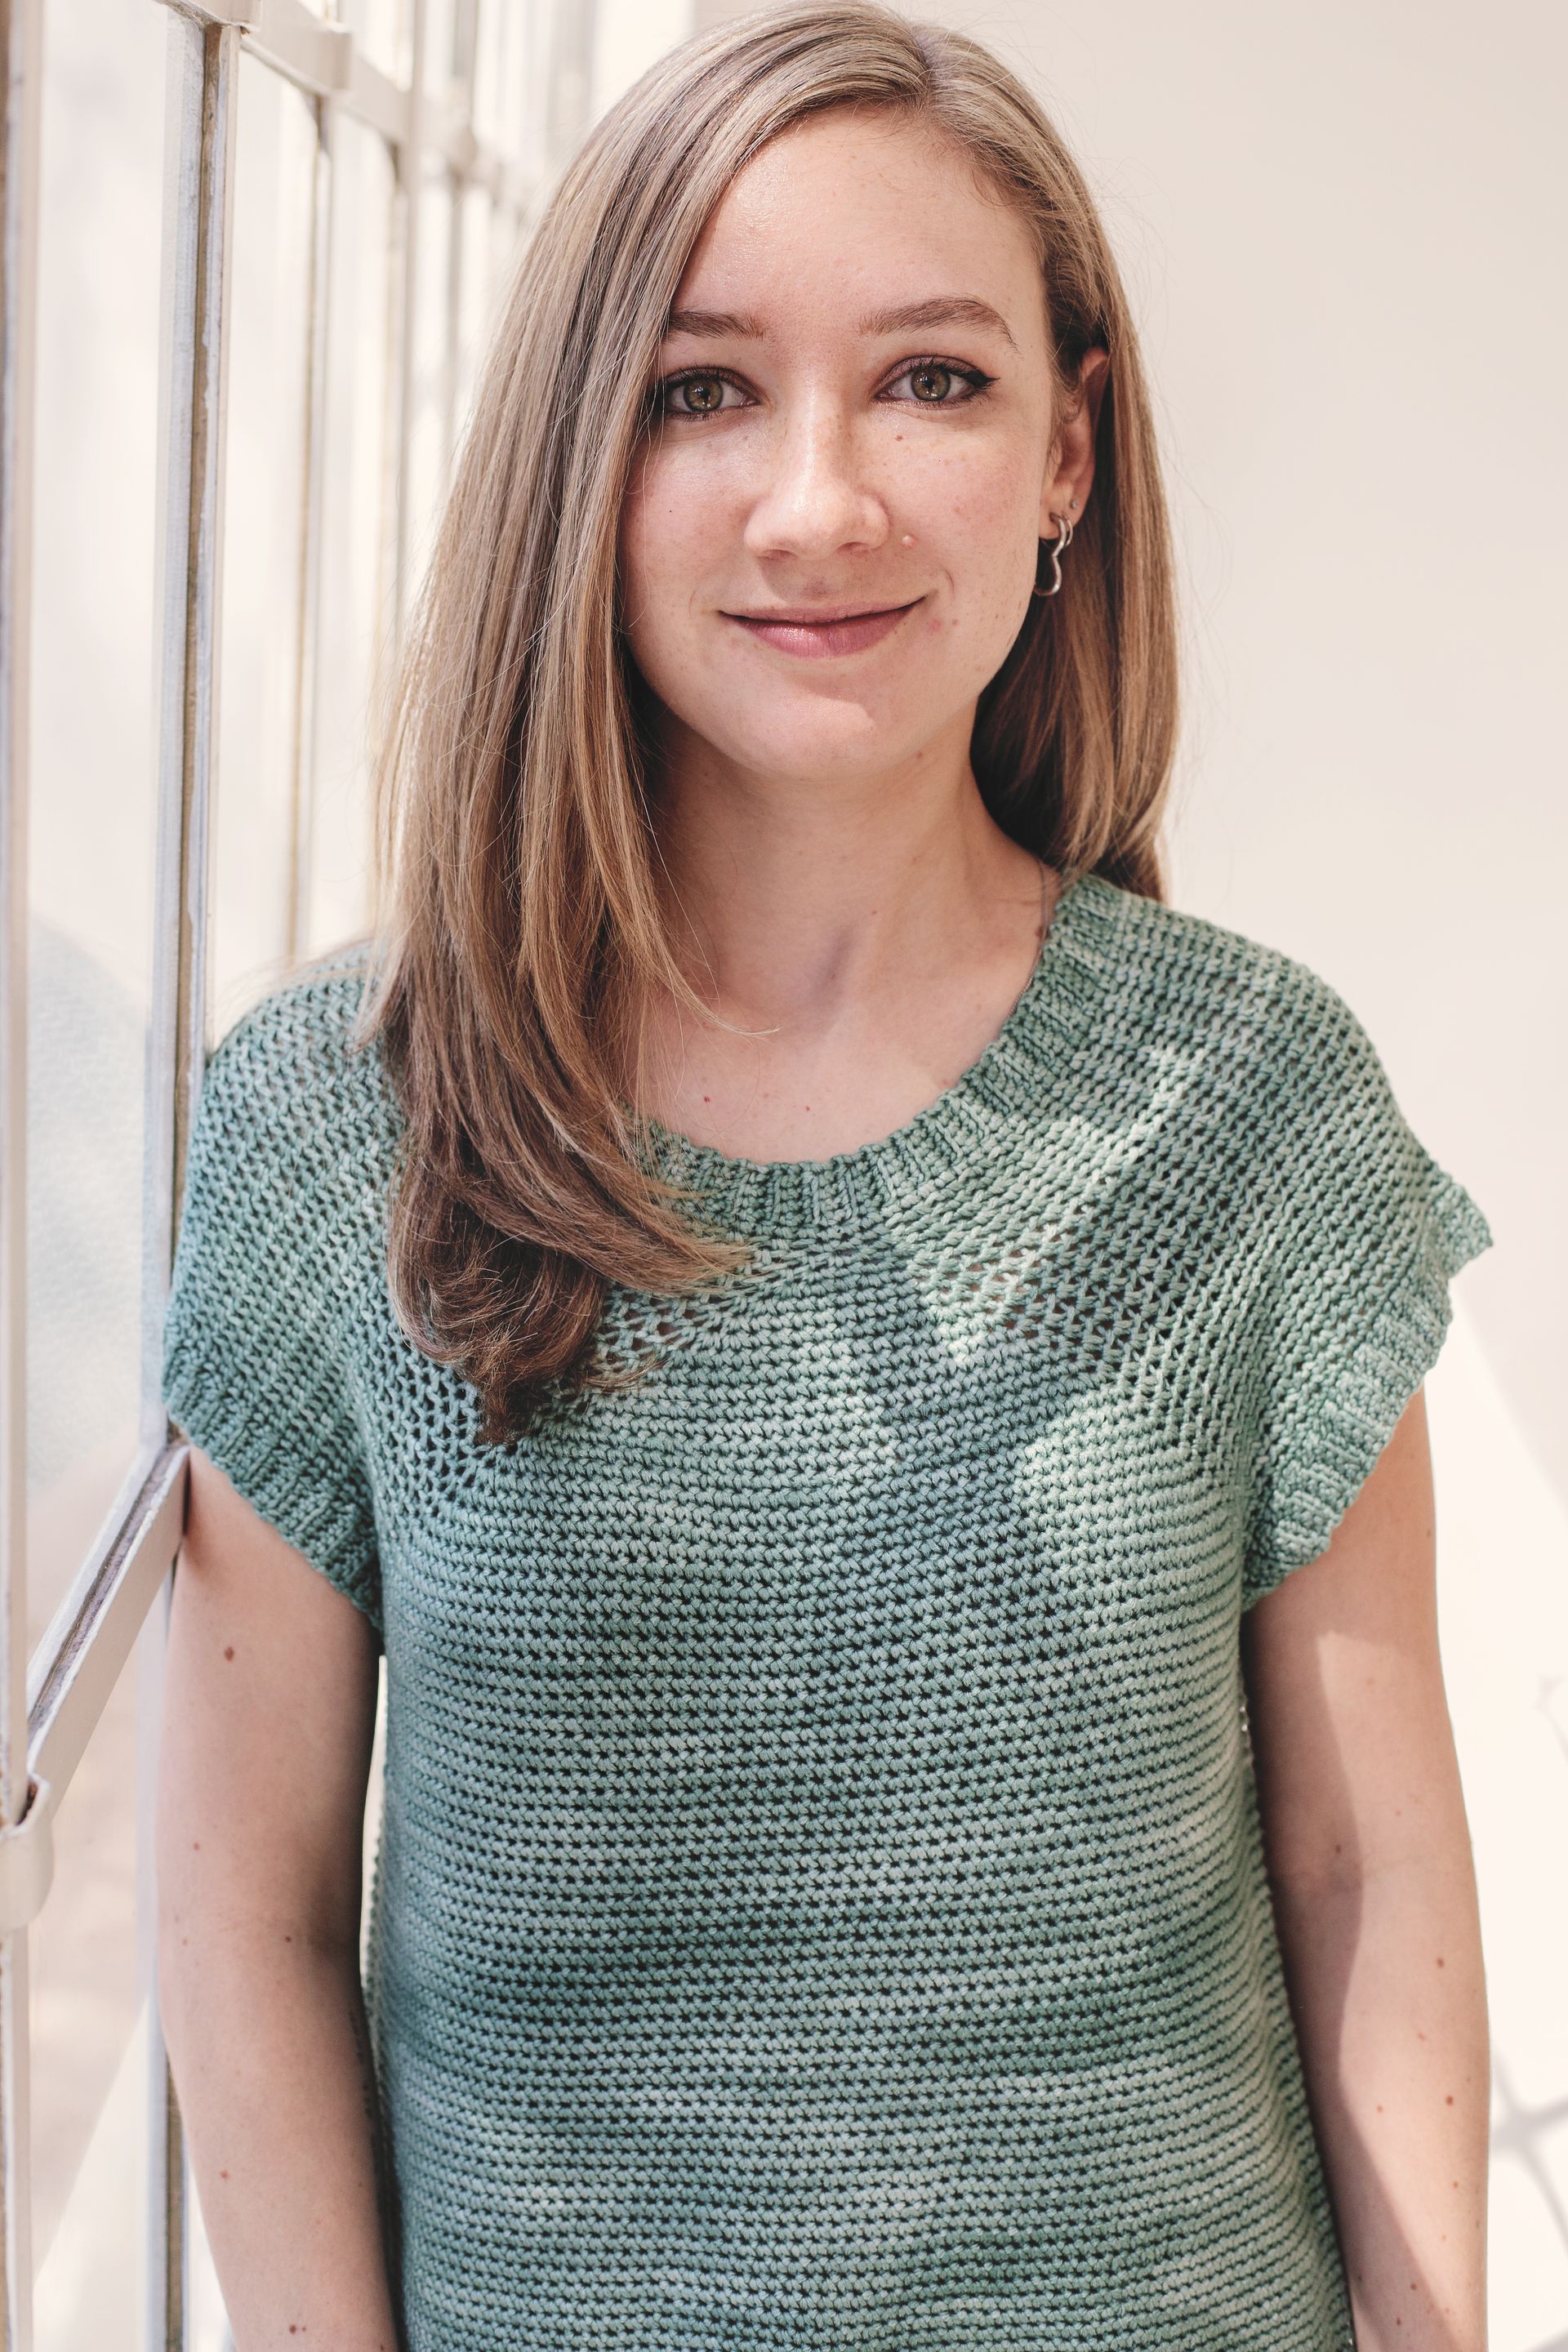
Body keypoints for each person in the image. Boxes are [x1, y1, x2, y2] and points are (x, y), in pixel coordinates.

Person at [154, 5, 1494, 2346]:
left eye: (936, 382)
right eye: (702, 390)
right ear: (584, 454)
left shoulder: (1255, 1105)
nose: (820, 504)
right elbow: (242, 1913)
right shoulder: (331, 1125)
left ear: (1071, 453)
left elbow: (1366, 1861)